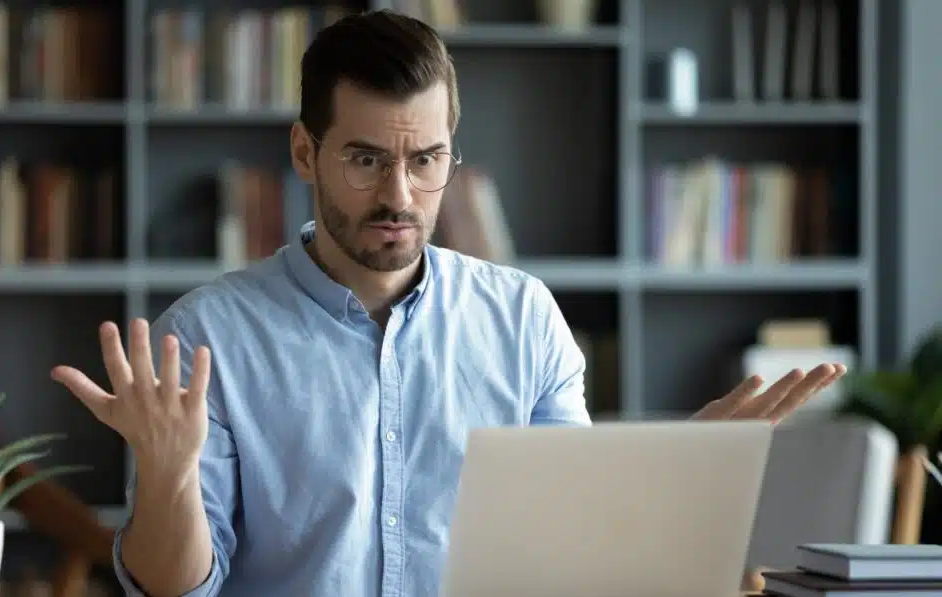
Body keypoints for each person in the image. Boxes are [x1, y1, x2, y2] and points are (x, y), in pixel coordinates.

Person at [52, 9, 846, 597]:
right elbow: (175, 588)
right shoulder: (208, 336)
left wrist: (669, 476)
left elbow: (569, 560)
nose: (399, 195)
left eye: (426, 159)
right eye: (365, 158)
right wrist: (167, 475)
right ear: (305, 152)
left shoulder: (524, 319)